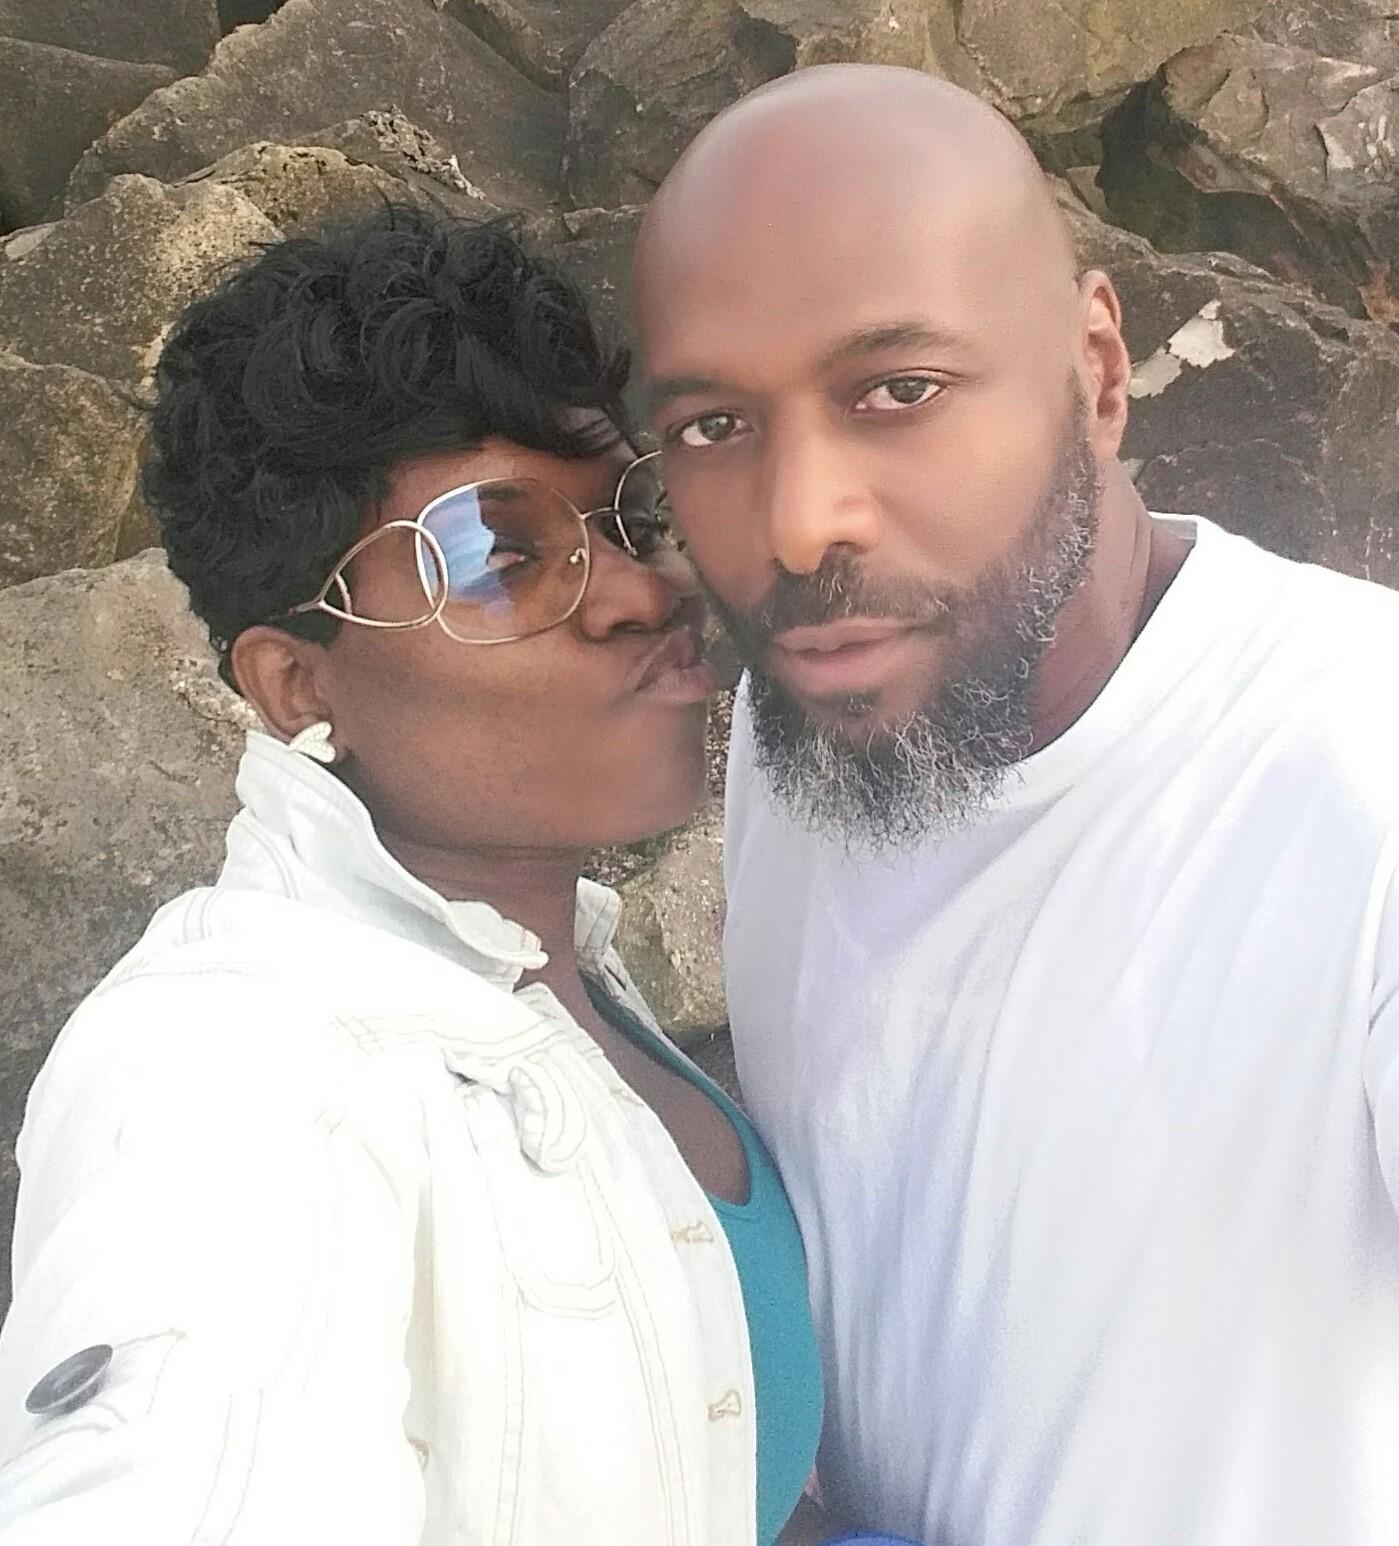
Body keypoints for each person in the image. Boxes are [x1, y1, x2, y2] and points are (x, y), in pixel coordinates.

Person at [631, 64, 1399, 1546]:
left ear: (1099, 375)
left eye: (898, 391)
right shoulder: (809, 713)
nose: (799, 523)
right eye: (714, 427)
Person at [0, 205, 839, 1546]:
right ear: (297, 684)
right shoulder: (233, 1072)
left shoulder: (559, 975)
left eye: (632, 515)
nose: (644, 591)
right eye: (500, 557)